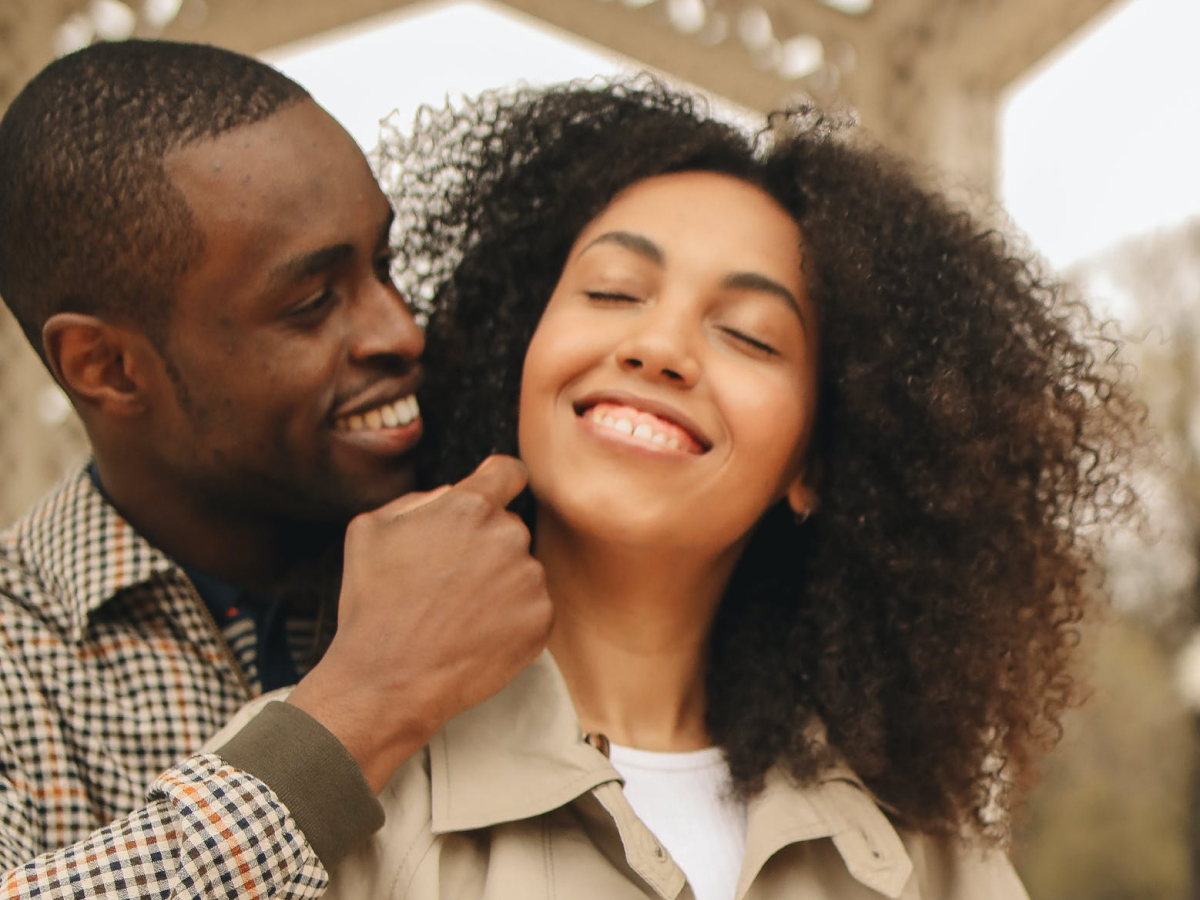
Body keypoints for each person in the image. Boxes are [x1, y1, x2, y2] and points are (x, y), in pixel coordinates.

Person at [211, 80, 1144, 898]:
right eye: (614, 292)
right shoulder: (322, 773)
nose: (659, 347)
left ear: (813, 465)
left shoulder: (920, 855)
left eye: (748, 335)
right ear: (519, 355)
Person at [0, 40, 552, 898]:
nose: (400, 331)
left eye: (386, 265)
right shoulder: (16, 652)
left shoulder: (508, 559)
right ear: (105, 366)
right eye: (310, 304)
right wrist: (365, 702)